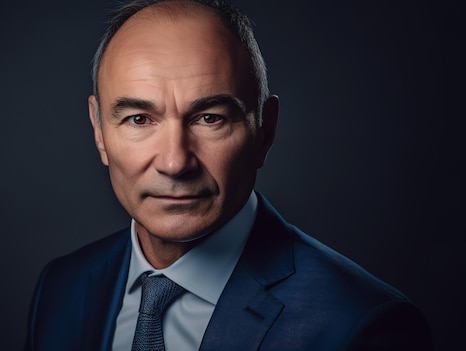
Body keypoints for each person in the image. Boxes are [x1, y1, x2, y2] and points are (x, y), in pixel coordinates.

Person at [24, 0, 432, 350]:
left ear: (264, 131)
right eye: (138, 119)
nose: (174, 162)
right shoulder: (62, 288)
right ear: (99, 131)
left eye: (209, 118)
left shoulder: (361, 327)